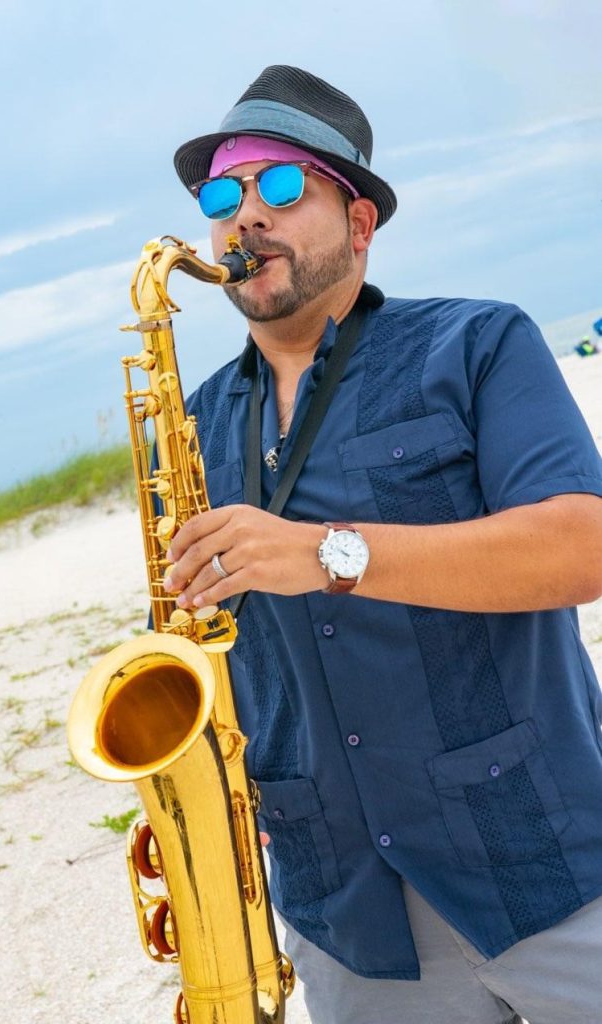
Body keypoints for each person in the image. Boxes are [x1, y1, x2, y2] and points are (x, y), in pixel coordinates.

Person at [164, 66, 602, 1024]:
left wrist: (327, 552)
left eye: (281, 186)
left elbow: (582, 544)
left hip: (545, 867)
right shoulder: (187, 430)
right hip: (345, 912)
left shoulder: (476, 344)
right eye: (221, 195)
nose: (246, 216)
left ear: (359, 224)